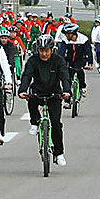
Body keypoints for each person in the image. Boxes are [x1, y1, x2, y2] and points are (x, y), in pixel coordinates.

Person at [18, 34, 71, 166]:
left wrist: (67, 91)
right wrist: (22, 90)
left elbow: (65, 76)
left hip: (54, 93)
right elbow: (27, 75)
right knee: (31, 100)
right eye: (41, 51)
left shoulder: (58, 60)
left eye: (47, 51)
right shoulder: (33, 60)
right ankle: (34, 123)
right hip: (38, 91)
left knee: (56, 123)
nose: (44, 54)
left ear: (52, 50)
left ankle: (59, 153)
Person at [59, 24, 92, 102]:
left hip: (80, 59)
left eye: (68, 34)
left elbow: (89, 52)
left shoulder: (84, 39)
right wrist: (60, 63)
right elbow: (61, 53)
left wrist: (90, 64)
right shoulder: (65, 40)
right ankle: (67, 101)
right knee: (67, 77)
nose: (66, 36)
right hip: (69, 59)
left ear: (73, 33)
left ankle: (83, 87)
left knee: (78, 70)